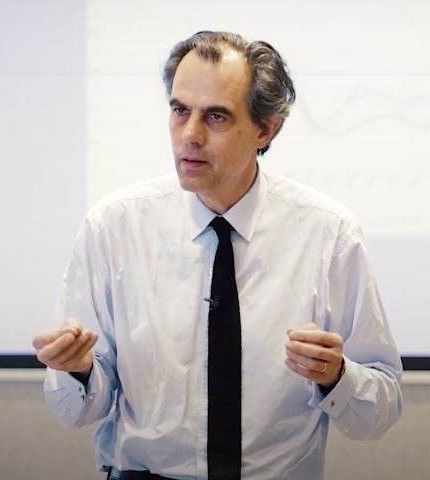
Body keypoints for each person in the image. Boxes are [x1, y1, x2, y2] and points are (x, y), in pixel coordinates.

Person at [32, 31, 403, 480]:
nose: (190, 135)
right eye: (179, 110)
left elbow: (380, 411)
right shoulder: (113, 228)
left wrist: (337, 375)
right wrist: (79, 371)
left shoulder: (330, 234)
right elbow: (75, 410)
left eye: (216, 116)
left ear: (266, 129)